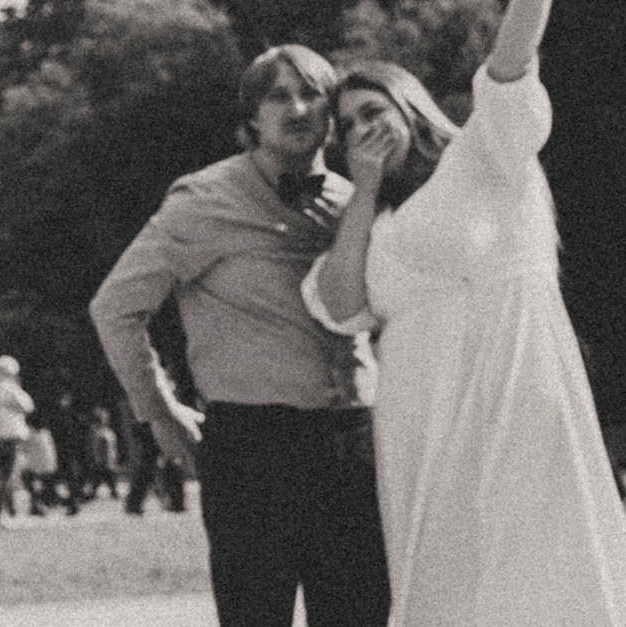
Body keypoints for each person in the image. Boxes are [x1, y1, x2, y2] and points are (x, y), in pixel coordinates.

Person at [305, 0, 626, 626]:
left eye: (374, 110)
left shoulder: (483, 156)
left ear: (409, 105)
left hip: (513, 377)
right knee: (447, 578)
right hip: (420, 414)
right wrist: (362, 192)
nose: (362, 129)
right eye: (347, 126)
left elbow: (512, 56)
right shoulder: (371, 221)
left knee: (539, 560)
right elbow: (340, 305)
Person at [89, 44, 390, 627]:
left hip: (355, 442)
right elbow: (115, 307)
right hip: (253, 447)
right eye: (279, 96)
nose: (298, 108)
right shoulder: (203, 200)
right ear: (252, 116)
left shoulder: (361, 202)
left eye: (313, 96)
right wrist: (160, 412)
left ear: (333, 115)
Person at [0, 356, 37, 524]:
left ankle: (12, 512)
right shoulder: (10, 388)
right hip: (12, 436)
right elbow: (28, 406)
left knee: (6, 473)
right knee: (10, 474)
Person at [22, 416, 64, 516]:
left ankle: (37, 504)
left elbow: (24, 449)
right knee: (46, 485)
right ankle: (47, 501)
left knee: (29, 481)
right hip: (49, 466)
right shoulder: (46, 433)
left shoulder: (29, 434)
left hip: (38, 466)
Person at [82, 406, 122, 502]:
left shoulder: (107, 431)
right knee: (103, 475)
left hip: (109, 457)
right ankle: (108, 491)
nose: (105, 420)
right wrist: (97, 458)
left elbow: (112, 445)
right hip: (102, 459)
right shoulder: (96, 431)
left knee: (105, 476)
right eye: (102, 418)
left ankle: (108, 491)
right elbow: (96, 446)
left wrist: (115, 456)